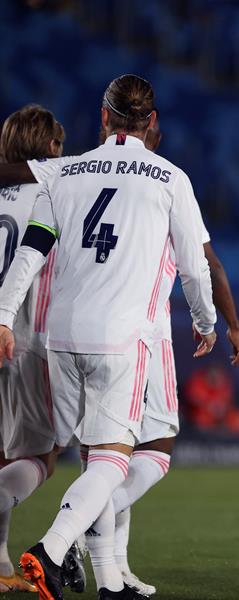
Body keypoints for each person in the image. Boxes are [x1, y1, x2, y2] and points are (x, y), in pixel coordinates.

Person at [8, 107, 239, 598]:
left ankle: (111, 577)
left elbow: (32, 222)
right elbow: (202, 263)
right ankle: (59, 544)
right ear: (150, 127)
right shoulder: (164, 181)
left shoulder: (72, 171)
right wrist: (217, 323)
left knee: (91, 454)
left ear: (104, 118)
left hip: (57, 333)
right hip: (136, 337)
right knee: (133, 454)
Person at [0, 104, 64, 595]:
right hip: (25, 338)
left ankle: (0, 565)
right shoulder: (53, 188)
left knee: (3, 453)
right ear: (50, 148)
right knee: (44, 453)